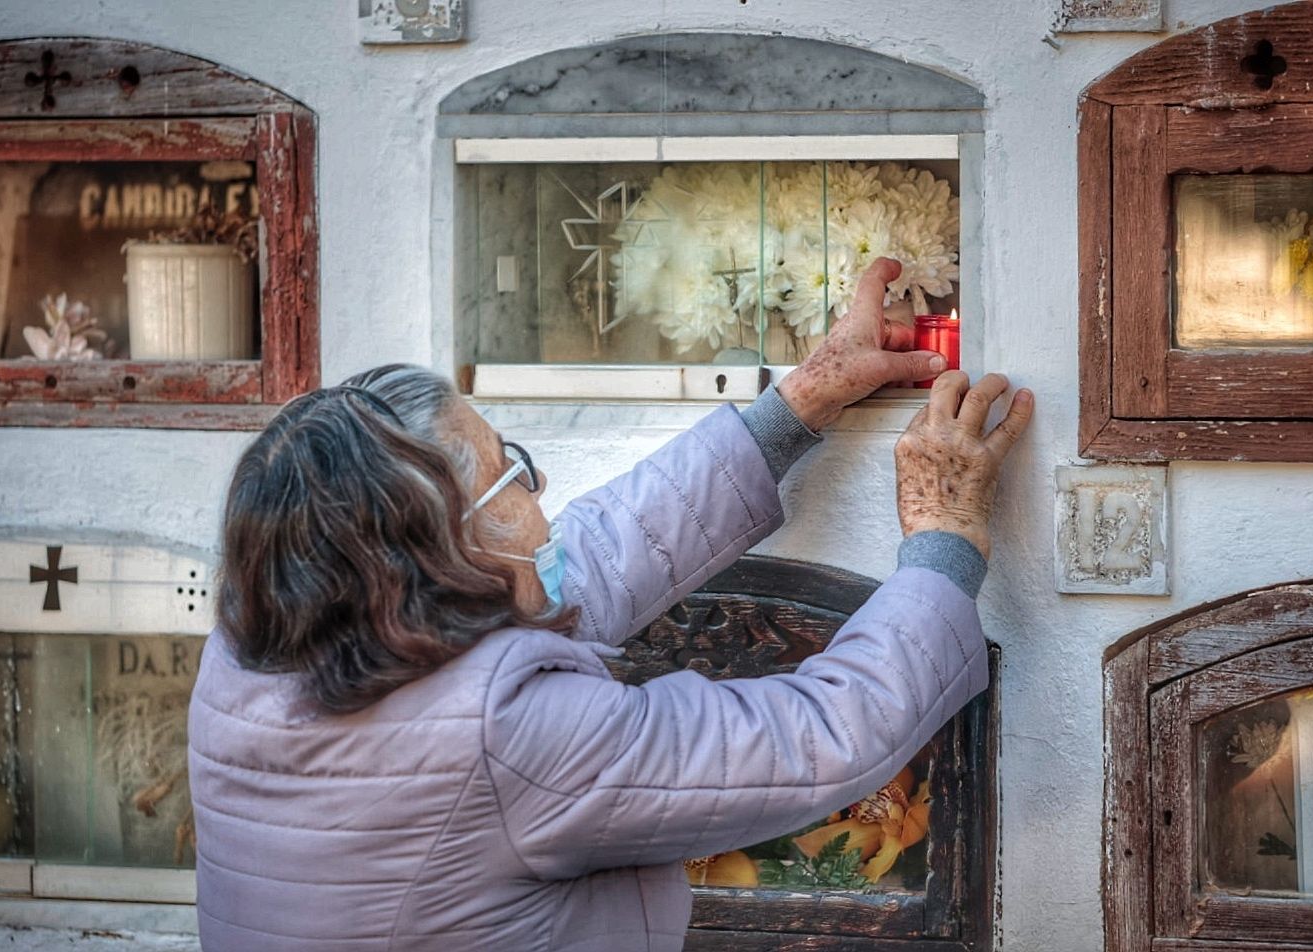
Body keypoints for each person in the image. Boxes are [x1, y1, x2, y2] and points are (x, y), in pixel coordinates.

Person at [188, 257, 1033, 951]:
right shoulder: (507, 732)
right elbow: (815, 738)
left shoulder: (257, 644)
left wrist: (798, 403)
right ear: (445, 551)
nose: (540, 485)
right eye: (509, 473)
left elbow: (595, 555)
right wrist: (944, 535)